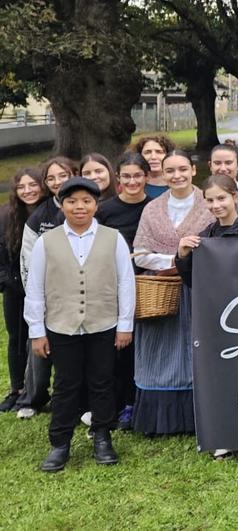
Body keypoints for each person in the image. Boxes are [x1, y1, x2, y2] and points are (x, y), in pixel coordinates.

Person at [24, 177, 134, 472]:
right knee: (65, 385)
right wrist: (37, 331)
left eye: (86, 201)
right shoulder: (47, 242)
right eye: (72, 202)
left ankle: (102, 436)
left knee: (102, 382)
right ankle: (60, 443)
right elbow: (35, 288)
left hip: (103, 323)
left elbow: (126, 283)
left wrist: (124, 325)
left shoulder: (113, 238)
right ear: (62, 205)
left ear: (96, 205)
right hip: (62, 325)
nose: (79, 207)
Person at [131, 150, 214, 435]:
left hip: (198, 286)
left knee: (195, 348)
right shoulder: (153, 208)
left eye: (182, 169)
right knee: (161, 350)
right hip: (162, 290)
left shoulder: (209, 202)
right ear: (162, 175)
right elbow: (140, 253)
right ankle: (160, 417)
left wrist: (187, 263)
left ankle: (195, 416)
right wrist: (172, 261)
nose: (177, 176)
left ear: (193, 170)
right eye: (170, 171)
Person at [14, 156, 77, 419]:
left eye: (62, 175)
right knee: (39, 346)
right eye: (51, 178)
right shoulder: (41, 215)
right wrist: (35, 295)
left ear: (73, 174)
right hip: (48, 293)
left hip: (82, 292)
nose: (57, 182)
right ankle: (33, 397)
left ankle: (77, 399)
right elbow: (27, 258)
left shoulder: (89, 204)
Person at [96, 153, 151, 429]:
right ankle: (113, 403)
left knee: (140, 346)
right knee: (116, 346)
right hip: (113, 285)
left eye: (137, 175)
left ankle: (134, 401)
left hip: (148, 285)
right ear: (118, 178)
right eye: (126, 176)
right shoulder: (105, 210)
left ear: (147, 177)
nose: (132, 181)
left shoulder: (154, 208)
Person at [0, 169, 42, 412]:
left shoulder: (50, 212)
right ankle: (17, 388)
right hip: (16, 287)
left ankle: (35, 389)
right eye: (22, 186)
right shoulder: (6, 216)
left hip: (44, 287)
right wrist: (7, 281)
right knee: (17, 338)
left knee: (37, 340)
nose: (28, 191)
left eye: (33, 185)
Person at [175, 175, 238, 288]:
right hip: (212, 302)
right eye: (210, 200)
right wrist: (183, 256)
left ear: (235, 197)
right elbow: (193, 281)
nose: (215, 205)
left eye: (221, 198)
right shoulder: (205, 235)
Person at [133, 134, 176, 199]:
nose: (153, 157)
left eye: (159, 152)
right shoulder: (131, 184)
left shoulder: (178, 182)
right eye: (148, 152)